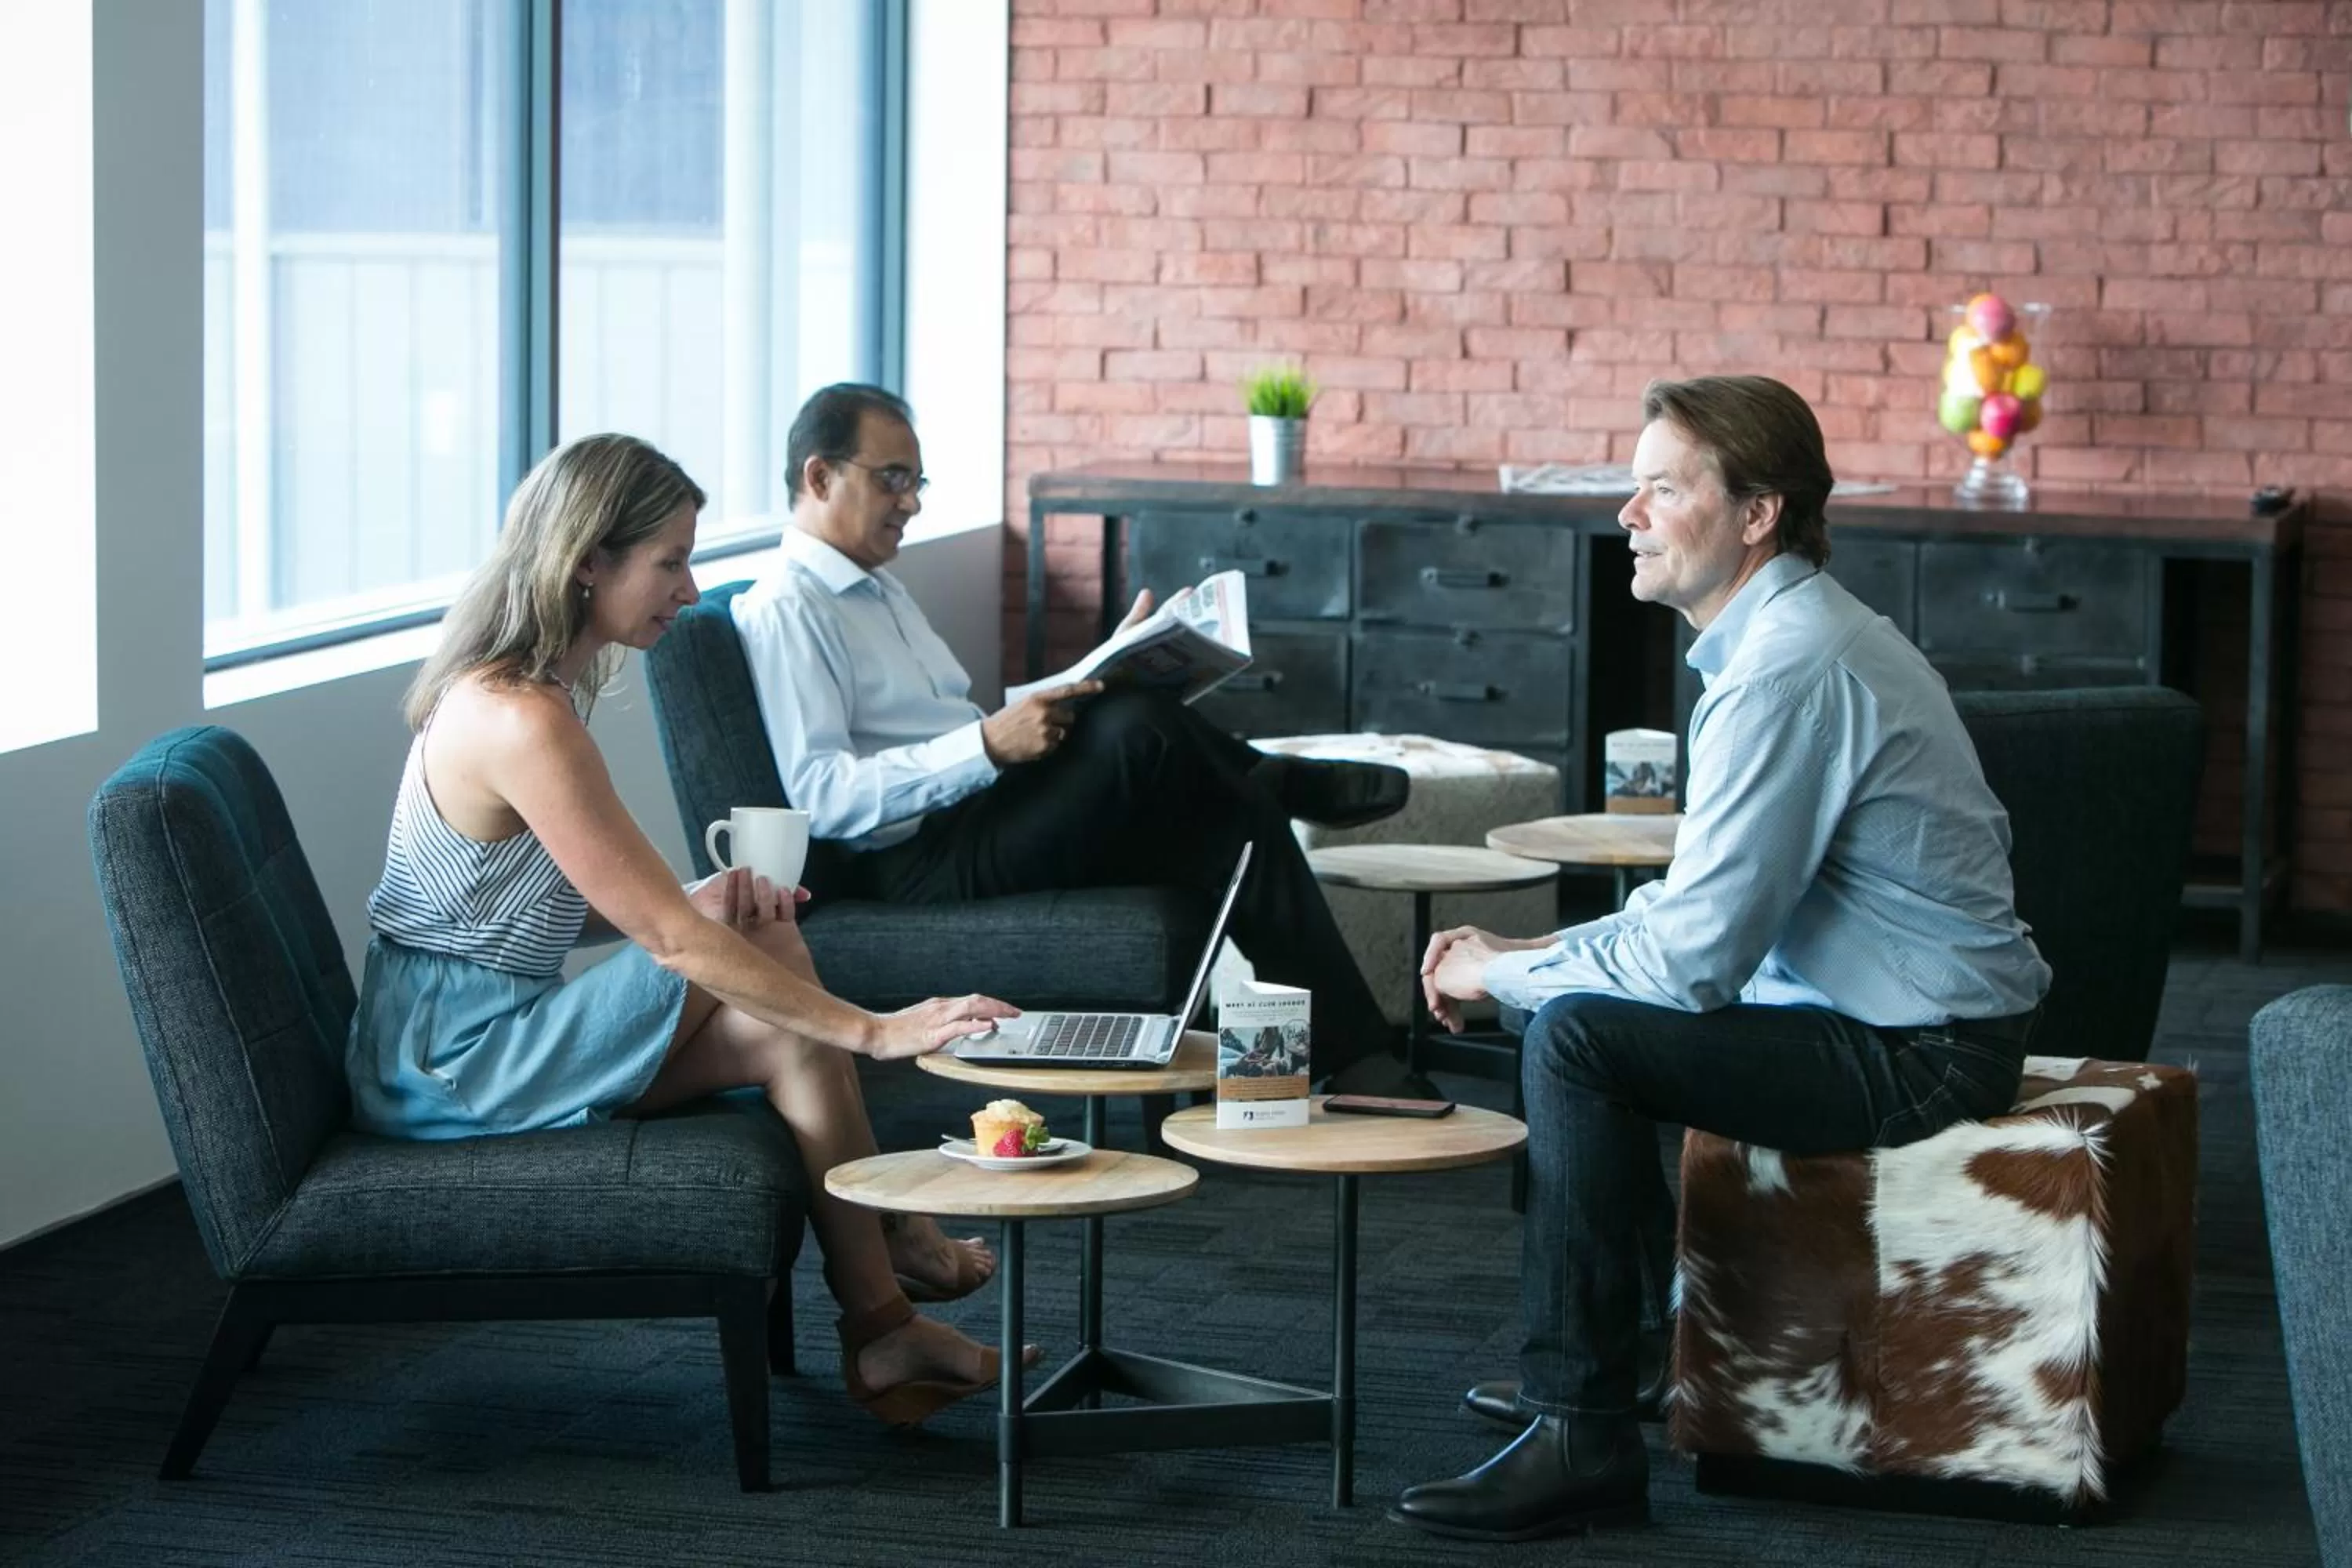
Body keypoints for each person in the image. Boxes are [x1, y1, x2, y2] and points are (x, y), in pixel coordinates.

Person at [1391, 376, 2052, 1542]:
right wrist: (1534, 947)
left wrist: (1504, 975)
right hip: (1878, 1019)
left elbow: (1695, 960)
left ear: (1758, 514)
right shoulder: (1787, 642)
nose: (1627, 516)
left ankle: (1581, 1428)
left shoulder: (1792, 668)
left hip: (1926, 1054)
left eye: (1661, 487)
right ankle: (1646, 1366)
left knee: (1583, 1038)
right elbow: (1702, 915)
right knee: (1577, 1014)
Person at [344, 433, 1031, 1429]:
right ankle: (898, 1252)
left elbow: (535, 906)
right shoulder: (518, 717)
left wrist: (701, 906)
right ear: (589, 560)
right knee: (757, 945)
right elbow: (663, 939)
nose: (691, 585)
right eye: (669, 560)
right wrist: (878, 1028)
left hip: (476, 1031)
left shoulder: (524, 695)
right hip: (451, 1059)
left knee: (769, 993)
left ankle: (884, 1320)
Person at [730, 383, 1431, 1096]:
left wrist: (1095, 668)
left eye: (917, 481)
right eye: (893, 480)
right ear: (820, 476)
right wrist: (989, 747)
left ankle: (1359, 1058)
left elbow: (953, 729)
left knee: (1228, 818)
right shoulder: (788, 606)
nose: (911, 502)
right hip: (917, 860)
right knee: (1138, 728)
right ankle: (1278, 779)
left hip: (979, 813)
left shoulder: (879, 591)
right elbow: (822, 795)